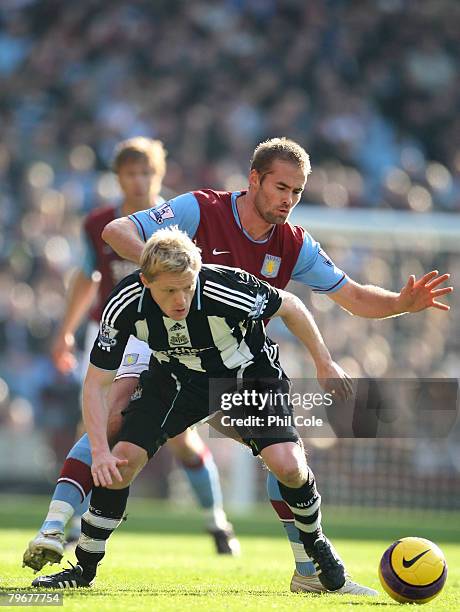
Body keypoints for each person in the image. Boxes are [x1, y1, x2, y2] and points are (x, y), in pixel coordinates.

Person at [29, 137, 452, 595]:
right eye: (281, 188)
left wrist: (400, 304)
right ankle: (65, 540)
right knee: (116, 434)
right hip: (174, 361)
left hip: (244, 371)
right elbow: (116, 232)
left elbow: (346, 296)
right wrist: (168, 273)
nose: (288, 200)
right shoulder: (198, 211)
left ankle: (308, 565)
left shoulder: (291, 246)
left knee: (286, 464)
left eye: (297, 192)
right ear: (254, 180)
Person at [32, 226, 363, 592]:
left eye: (187, 287)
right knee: (121, 461)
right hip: (175, 380)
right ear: (145, 281)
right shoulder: (124, 303)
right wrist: (98, 452)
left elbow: (292, 306)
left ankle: (316, 544)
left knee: (288, 465)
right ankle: (84, 570)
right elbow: (96, 383)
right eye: (169, 290)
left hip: (246, 377)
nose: (180, 299)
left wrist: (324, 362)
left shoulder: (228, 288)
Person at [23, 138, 239, 574]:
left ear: (158, 177)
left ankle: (215, 521)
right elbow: (88, 277)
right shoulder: (101, 223)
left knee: (176, 436)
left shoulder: (177, 226)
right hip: (111, 330)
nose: (139, 181)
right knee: (102, 420)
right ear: (119, 177)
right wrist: (65, 331)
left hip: (162, 334)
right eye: (131, 174)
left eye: (147, 174)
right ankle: (64, 525)